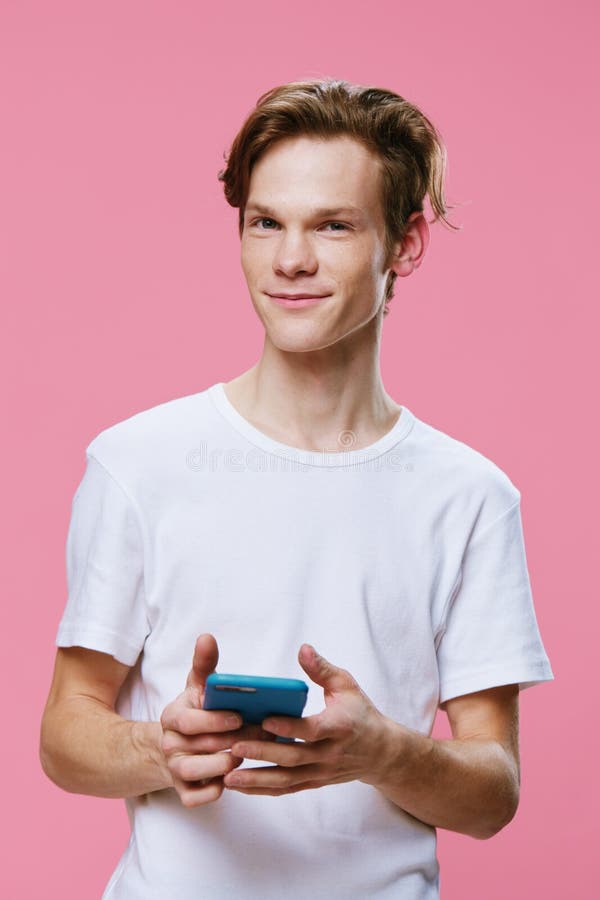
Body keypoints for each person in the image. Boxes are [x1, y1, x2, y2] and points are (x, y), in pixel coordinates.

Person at [40, 79, 553, 899]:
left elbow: (494, 793)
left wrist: (381, 751)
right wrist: (160, 750)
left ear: (406, 245)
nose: (290, 260)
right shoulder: (138, 462)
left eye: (334, 225)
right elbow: (65, 731)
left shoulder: (470, 497)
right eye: (265, 222)